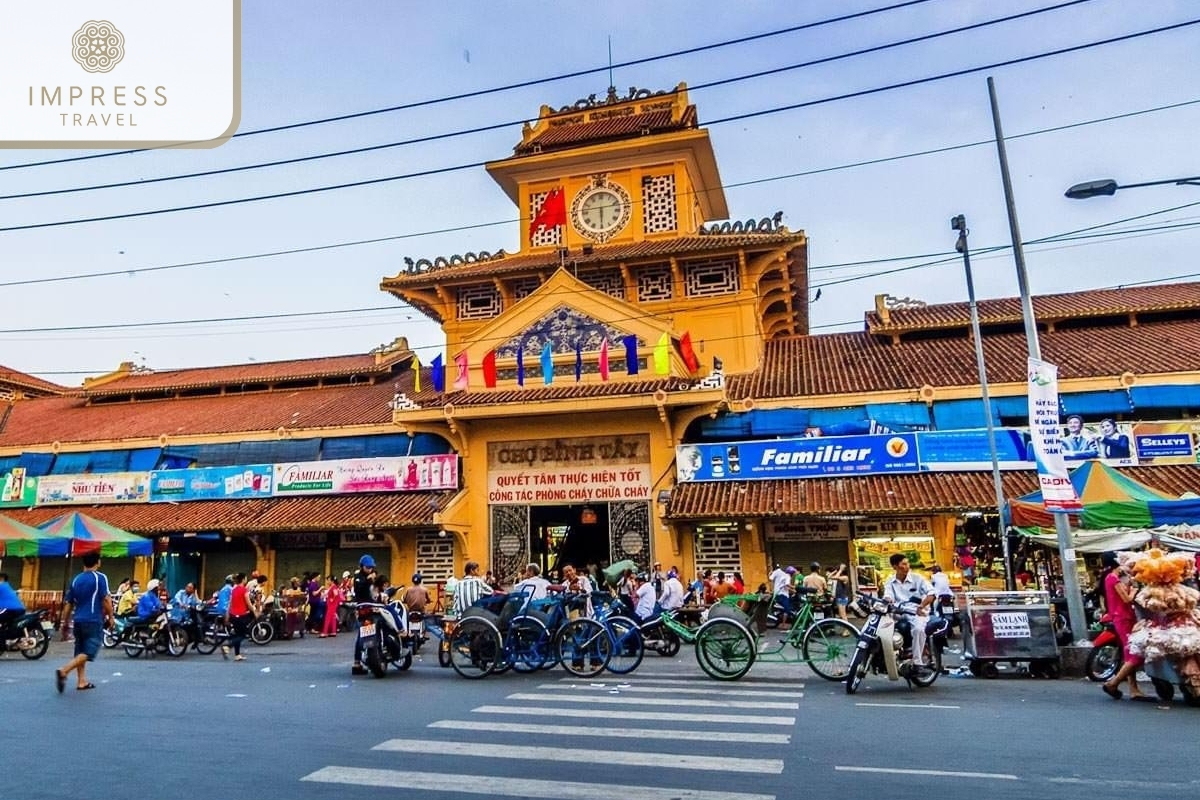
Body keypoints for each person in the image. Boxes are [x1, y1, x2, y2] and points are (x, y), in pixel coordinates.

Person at [55, 551, 113, 693]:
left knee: (80, 651)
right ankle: (64, 670)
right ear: (98, 562)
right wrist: (111, 616)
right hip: (93, 619)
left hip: (78, 620)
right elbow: (105, 598)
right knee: (89, 651)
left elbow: (69, 603)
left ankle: (81, 681)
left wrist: (64, 622)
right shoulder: (100, 578)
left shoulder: (76, 579)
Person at [1100, 552, 1146, 700]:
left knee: (1129, 654)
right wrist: (1133, 591)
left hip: (1124, 617)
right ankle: (1113, 683)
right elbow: (1126, 599)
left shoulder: (1111, 578)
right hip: (1123, 618)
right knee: (1135, 655)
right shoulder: (1113, 578)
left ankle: (1134, 689)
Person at [883, 553, 934, 666]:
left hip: (916, 612)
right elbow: (888, 595)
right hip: (898, 613)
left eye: (907, 564)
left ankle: (917, 662)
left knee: (918, 630)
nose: (907, 567)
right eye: (903, 564)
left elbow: (931, 593)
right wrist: (888, 600)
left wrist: (921, 606)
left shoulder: (918, 579)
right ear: (895, 567)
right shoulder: (890, 581)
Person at [223, 573, 253, 662]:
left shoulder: (234, 589)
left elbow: (230, 603)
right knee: (243, 634)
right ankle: (228, 646)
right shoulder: (244, 590)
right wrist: (254, 611)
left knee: (237, 634)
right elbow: (248, 603)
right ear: (243, 580)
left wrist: (227, 615)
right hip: (241, 615)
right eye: (246, 578)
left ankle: (237, 655)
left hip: (233, 615)